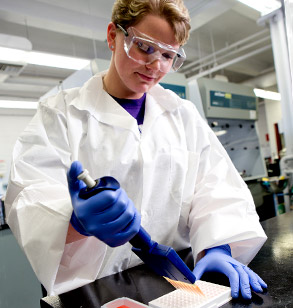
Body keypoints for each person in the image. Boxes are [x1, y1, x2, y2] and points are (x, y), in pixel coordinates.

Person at [5, 0, 267, 299]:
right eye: (144, 47)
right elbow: (28, 196)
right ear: (112, 36)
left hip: (176, 282)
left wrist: (216, 247)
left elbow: (215, 186)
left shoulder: (182, 114)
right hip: (95, 289)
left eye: (168, 55)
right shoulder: (62, 113)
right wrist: (76, 221)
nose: (155, 65)